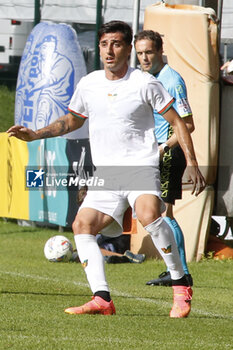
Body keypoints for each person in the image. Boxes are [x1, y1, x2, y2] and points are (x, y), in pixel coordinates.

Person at [7, 20, 206, 318]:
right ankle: (102, 299)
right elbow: (73, 120)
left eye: (115, 44)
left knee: (151, 214)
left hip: (140, 166)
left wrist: (192, 163)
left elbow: (179, 121)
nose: (109, 50)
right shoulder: (90, 84)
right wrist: (36, 134)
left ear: (127, 48)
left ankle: (181, 284)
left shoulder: (145, 83)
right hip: (107, 174)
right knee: (82, 225)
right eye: (103, 44)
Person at [134, 30, 194, 287]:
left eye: (149, 52)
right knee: (157, 213)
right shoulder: (146, 78)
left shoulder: (172, 80)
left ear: (160, 52)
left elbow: (188, 124)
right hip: (151, 153)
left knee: (166, 213)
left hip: (168, 154)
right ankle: (175, 270)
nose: (144, 58)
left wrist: (162, 148)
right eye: (140, 53)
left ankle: (181, 272)